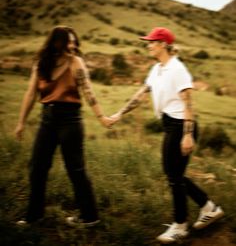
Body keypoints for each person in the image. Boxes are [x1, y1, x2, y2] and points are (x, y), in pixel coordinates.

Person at [110, 27, 224, 244]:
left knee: (173, 176)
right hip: (170, 124)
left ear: (163, 44)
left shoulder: (177, 69)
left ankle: (180, 226)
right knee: (175, 174)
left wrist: (188, 135)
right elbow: (141, 94)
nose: (148, 45)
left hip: (181, 124)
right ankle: (209, 208)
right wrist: (119, 114)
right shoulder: (157, 69)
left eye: (152, 42)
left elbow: (188, 103)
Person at [14, 25, 113, 226]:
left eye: (74, 41)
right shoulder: (41, 63)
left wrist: (101, 117)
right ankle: (34, 215)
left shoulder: (76, 63)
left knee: (75, 169)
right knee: (37, 167)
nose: (72, 45)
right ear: (55, 42)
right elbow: (31, 93)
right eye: (68, 41)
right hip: (47, 120)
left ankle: (90, 216)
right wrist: (21, 122)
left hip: (70, 120)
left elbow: (88, 92)